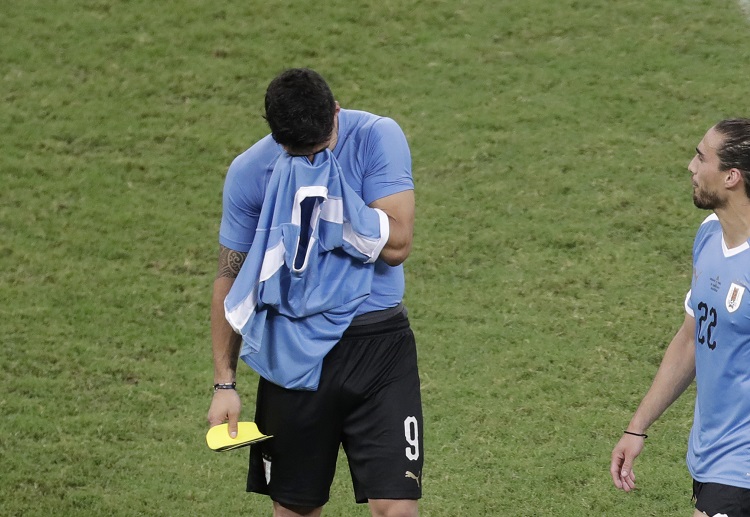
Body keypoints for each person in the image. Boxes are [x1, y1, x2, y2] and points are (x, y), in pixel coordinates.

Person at [207, 68, 423, 517]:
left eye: (321, 146)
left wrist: (325, 191)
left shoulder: (377, 136)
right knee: (295, 510)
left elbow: (398, 246)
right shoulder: (250, 171)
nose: (312, 157)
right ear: (276, 137)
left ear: (337, 112)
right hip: (293, 355)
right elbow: (231, 275)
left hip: (378, 349)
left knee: (396, 508)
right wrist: (224, 383)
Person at [610, 119, 750, 517]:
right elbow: (691, 338)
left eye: (702, 157)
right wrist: (637, 426)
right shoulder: (709, 234)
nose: (691, 166)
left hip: (741, 468)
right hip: (709, 454)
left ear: (731, 177)